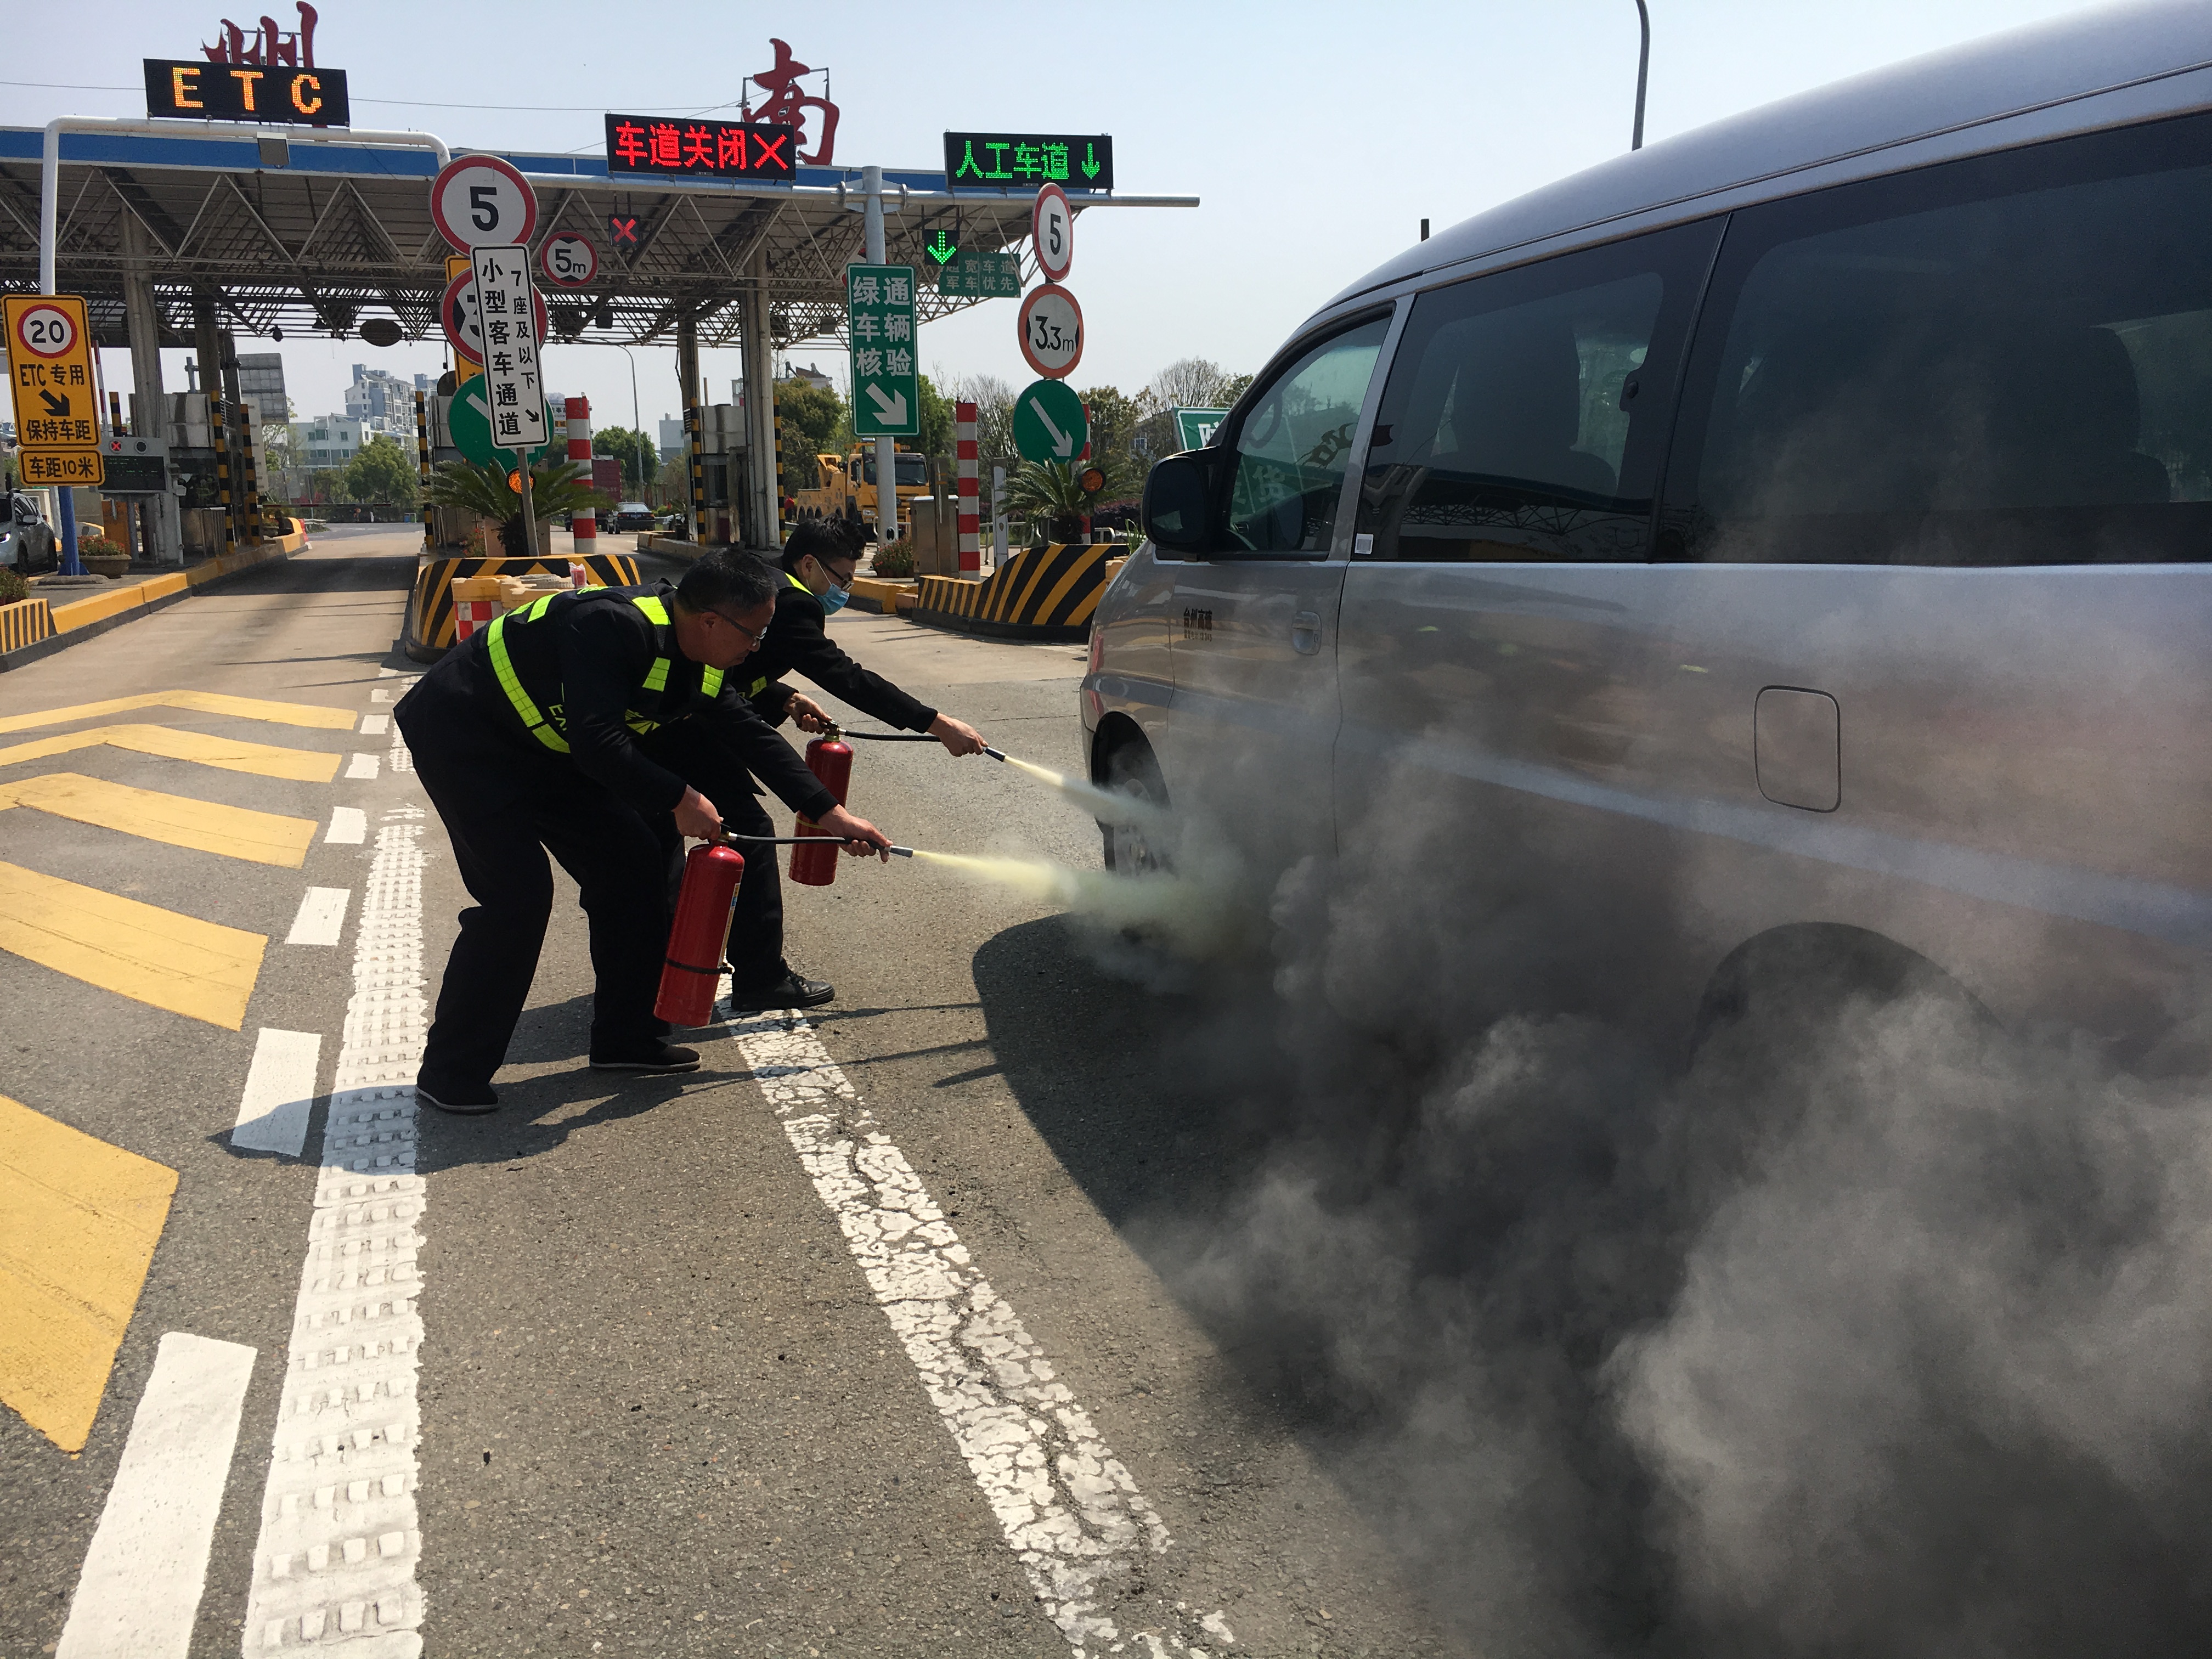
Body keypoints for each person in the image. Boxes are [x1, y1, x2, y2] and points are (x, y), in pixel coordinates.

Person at [394, 550, 891, 1115]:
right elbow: (599, 742)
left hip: (547, 748)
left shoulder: (703, 658)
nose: (758, 649)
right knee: (518, 899)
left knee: (634, 867)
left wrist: (831, 816)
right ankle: (451, 1072)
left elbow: (749, 734)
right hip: (466, 738)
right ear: (711, 622)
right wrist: (681, 799)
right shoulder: (607, 624)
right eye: (753, 635)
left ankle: (626, 1039)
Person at [702, 519, 987, 1014]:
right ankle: (760, 977)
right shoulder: (792, 604)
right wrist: (936, 724)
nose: (845, 591)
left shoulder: (766, 580)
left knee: (670, 837)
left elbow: (733, 672)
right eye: (841, 578)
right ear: (809, 563)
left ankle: (677, 955)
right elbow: (847, 678)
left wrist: (784, 696)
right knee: (748, 830)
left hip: (688, 712)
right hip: (695, 721)